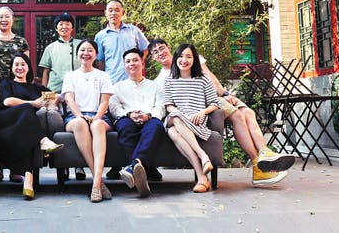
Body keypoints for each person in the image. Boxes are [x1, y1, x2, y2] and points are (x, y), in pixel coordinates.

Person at [149, 38, 294, 186]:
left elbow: (211, 79)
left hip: (214, 95)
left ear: (168, 47)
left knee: (248, 113)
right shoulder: (162, 79)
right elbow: (169, 104)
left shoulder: (191, 56)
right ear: (153, 57)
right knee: (238, 116)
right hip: (200, 105)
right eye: (155, 52)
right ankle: (258, 163)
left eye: (161, 48)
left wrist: (225, 94)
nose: (160, 53)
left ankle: (264, 152)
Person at [0, 53, 63, 200]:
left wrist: (58, 98)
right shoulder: (6, 83)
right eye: (16, 64)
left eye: (23, 64)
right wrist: (33, 103)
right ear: (11, 68)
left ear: (28, 67)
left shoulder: (36, 87)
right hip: (5, 121)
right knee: (28, 109)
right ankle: (43, 140)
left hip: (23, 127)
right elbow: (7, 101)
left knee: (28, 132)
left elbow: (54, 96)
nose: (19, 67)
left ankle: (28, 180)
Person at [94, 0, 149, 180]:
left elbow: (145, 49)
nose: (113, 13)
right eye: (110, 10)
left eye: (117, 10)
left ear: (123, 13)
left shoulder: (133, 31)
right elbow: (100, 61)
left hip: (136, 84)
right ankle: (120, 164)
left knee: (143, 121)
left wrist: (138, 65)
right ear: (105, 13)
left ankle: (147, 164)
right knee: (121, 124)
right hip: (113, 87)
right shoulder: (101, 36)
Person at [162, 43, 220, 193]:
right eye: (181, 56)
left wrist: (202, 112)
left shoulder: (203, 79)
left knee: (173, 132)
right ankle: (203, 155)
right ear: (175, 59)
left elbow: (215, 103)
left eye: (189, 56)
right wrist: (183, 115)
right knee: (175, 117)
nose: (184, 60)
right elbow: (169, 106)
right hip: (177, 116)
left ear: (195, 59)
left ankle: (202, 178)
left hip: (196, 121)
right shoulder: (169, 80)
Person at [61, 39, 114, 202]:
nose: (86, 53)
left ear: (96, 54)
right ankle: (98, 182)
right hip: (75, 116)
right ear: (77, 54)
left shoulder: (103, 75)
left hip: (99, 115)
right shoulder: (70, 76)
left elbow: (105, 101)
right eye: (82, 50)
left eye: (90, 50)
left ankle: (96, 185)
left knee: (97, 125)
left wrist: (97, 116)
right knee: (80, 124)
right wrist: (79, 115)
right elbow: (69, 99)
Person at [0, 6, 30, 184]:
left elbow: (26, 64)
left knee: (15, 126)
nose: (3, 19)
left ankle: (15, 169)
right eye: (0, 17)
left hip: (15, 87)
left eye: (7, 16)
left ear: (12, 19)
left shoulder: (21, 42)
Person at [109, 48, 165, 198]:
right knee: (125, 126)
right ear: (124, 65)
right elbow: (114, 108)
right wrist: (129, 114)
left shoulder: (155, 86)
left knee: (155, 127)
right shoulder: (117, 87)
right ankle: (144, 170)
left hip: (149, 118)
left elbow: (160, 106)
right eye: (128, 61)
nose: (131, 63)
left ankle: (133, 167)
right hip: (128, 118)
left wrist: (148, 115)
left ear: (142, 63)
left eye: (135, 60)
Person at [38, 12, 84, 181]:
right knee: (56, 124)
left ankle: (80, 165)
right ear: (56, 28)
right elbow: (45, 71)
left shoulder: (81, 45)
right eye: (61, 24)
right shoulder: (50, 48)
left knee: (78, 124)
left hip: (78, 92)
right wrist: (45, 92)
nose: (64, 27)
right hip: (55, 90)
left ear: (72, 27)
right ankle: (62, 165)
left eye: (67, 24)